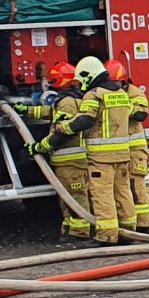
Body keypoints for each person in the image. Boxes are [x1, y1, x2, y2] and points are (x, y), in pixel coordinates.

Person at [27, 60, 91, 240]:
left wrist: (40, 147)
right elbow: (51, 112)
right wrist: (27, 110)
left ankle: (80, 232)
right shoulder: (72, 99)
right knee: (67, 196)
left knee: (75, 195)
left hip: (71, 160)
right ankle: (70, 228)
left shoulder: (68, 103)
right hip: (69, 160)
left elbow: (61, 132)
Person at [74, 55, 134, 244]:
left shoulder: (94, 94)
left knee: (103, 195)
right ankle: (128, 231)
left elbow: (85, 120)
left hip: (101, 158)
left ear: (88, 75)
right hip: (123, 155)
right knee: (123, 191)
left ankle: (107, 235)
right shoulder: (121, 93)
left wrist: (64, 127)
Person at [111, 58, 149, 233]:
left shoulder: (135, 93)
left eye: (115, 83)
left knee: (136, 187)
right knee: (123, 187)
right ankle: (130, 222)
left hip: (135, 150)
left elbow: (141, 114)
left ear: (123, 81)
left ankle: (143, 225)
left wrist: (121, 107)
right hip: (122, 149)